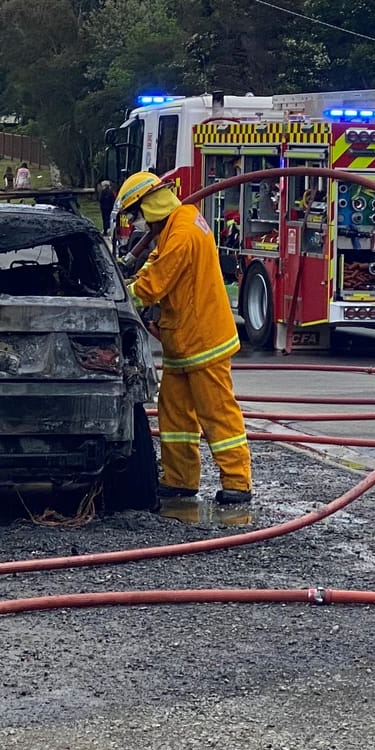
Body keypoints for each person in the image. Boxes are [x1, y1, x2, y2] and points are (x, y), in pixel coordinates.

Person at [118, 170, 251, 505]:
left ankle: (237, 482)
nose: (137, 224)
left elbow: (154, 284)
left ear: (149, 206)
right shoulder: (180, 223)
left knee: (217, 413)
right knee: (175, 415)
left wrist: (119, 296)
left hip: (204, 341)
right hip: (182, 341)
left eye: (136, 215)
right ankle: (180, 479)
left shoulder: (182, 234)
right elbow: (155, 263)